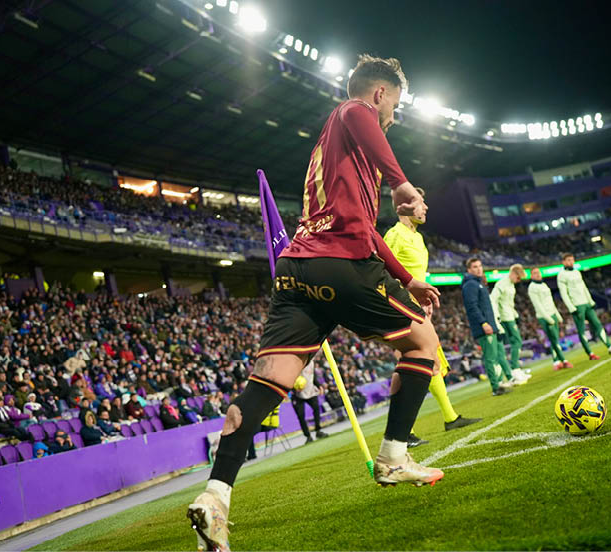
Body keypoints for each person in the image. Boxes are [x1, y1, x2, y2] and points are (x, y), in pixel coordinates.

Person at [188, 54, 444, 551]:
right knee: (423, 344)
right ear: (379, 94)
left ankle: (215, 499)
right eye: (394, 105)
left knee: (265, 388)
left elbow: (368, 229)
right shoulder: (352, 113)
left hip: (297, 272)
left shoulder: (340, 157)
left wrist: (406, 278)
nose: (393, 116)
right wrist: (402, 182)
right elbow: (357, 114)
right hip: (339, 266)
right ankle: (393, 455)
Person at [383, 187, 481, 444]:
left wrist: (423, 299)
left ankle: (449, 418)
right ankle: (403, 432)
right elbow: (382, 271)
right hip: (400, 307)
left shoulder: (418, 237)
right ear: (404, 206)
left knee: (428, 361)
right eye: (420, 203)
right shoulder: (394, 235)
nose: (425, 208)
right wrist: (406, 299)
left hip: (417, 308)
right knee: (412, 363)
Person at [556, 253, 611, 360]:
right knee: (582, 330)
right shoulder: (561, 275)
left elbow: (584, 287)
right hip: (577, 306)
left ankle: (610, 347)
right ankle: (590, 353)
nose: (571, 262)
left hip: (586, 303)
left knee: (597, 324)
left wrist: (590, 300)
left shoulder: (576, 272)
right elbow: (563, 293)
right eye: (568, 260)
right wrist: (571, 307)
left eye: (572, 260)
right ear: (564, 262)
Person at [461, 258, 514, 396]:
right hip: (484, 327)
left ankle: (501, 382)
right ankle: (496, 387)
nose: (479, 269)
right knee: (490, 358)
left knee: (496, 356)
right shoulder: (470, 285)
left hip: (491, 325)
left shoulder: (478, 284)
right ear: (469, 270)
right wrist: (484, 323)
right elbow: (472, 307)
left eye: (480, 266)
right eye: (475, 267)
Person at [490, 264, 531, 382]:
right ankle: (515, 368)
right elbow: (493, 299)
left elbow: (508, 303)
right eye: (518, 278)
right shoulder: (502, 283)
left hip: (510, 316)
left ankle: (514, 369)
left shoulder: (511, 285)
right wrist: (497, 316)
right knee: (516, 341)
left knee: (515, 341)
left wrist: (515, 314)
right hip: (504, 318)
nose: (519, 281)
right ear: (513, 273)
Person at [527, 268, 573, 371]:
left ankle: (556, 362)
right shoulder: (532, 287)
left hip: (552, 314)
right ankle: (564, 361)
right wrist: (548, 318)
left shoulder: (544, 285)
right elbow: (537, 305)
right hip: (544, 317)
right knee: (553, 339)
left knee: (555, 339)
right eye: (535, 273)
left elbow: (550, 301)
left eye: (538, 273)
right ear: (531, 276)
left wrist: (557, 314)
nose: (537, 275)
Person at [290, 361, 328, 444]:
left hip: (310, 391)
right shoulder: (294, 363)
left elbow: (312, 376)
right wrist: (293, 388)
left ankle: (318, 431)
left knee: (316, 409)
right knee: (300, 415)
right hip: (297, 395)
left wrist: (319, 386)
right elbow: (288, 377)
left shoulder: (311, 362)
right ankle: (308, 436)